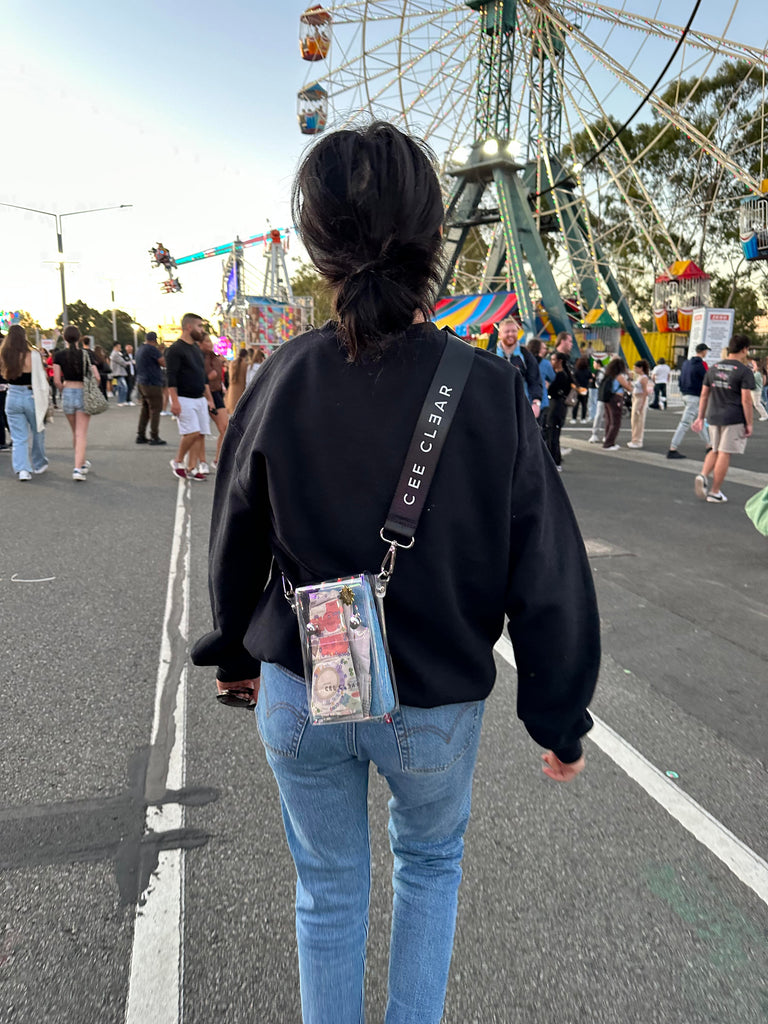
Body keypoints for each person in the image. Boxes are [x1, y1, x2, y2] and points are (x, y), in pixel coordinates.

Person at [191, 121, 599, 1024]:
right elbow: (547, 572)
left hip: (303, 687)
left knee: (327, 891)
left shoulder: (280, 377)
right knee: (429, 867)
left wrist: (232, 653)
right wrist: (558, 718)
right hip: (433, 700)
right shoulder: (490, 388)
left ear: (318, 243)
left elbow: (235, 532)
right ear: (430, 237)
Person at [692, 333, 755, 503]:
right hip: (733, 417)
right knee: (725, 453)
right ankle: (715, 491)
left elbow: (704, 395)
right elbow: (746, 400)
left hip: (713, 415)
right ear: (744, 349)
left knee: (715, 449)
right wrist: (749, 423)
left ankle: (703, 475)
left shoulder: (713, 368)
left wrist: (700, 417)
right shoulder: (744, 371)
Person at [165, 313, 215, 480]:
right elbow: (171, 377)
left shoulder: (195, 349)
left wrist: (209, 398)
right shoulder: (175, 350)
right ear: (189, 327)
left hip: (199, 397)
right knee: (192, 432)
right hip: (184, 397)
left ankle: (192, 468)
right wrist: (175, 401)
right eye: (199, 326)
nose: (202, 330)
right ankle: (178, 461)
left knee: (200, 434)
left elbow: (203, 376)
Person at [0, 324, 48, 480]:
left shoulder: (4, 354)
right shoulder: (33, 355)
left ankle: (23, 470)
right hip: (31, 395)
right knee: (38, 430)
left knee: (18, 437)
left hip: (12, 395)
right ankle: (39, 463)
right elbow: (41, 377)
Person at [53, 325, 101, 481]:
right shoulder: (87, 354)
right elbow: (97, 377)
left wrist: (62, 389)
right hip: (82, 393)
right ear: (79, 338)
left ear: (65, 338)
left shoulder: (59, 356)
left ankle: (81, 462)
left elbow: (56, 380)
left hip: (67, 392)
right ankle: (77, 468)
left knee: (75, 432)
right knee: (81, 434)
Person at [667, 342, 711, 458]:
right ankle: (673, 448)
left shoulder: (686, 363)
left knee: (698, 420)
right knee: (685, 423)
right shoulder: (701, 365)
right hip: (695, 396)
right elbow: (707, 380)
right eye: (706, 351)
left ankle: (709, 445)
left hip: (686, 394)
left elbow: (681, 379)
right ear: (703, 351)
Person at [494, 319, 543, 418]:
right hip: (496, 407)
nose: (510, 334)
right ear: (499, 334)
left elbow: (535, 380)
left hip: (521, 407)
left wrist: (536, 402)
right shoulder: (491, 354)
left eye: (514, 331)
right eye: (507, 331)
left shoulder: (525, 355)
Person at [200, 333, 229, 468]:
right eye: (206, 342)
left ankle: (218, 460)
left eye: (210, 341)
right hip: (204, 394)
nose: (210, 344)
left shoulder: (213, 356)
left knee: (225, 428)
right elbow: (204, 376)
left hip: (216, 393)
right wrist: (211, 375)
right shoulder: (199, 357)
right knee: (199, 432)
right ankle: (201, 462)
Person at [135, 331, 167, 445]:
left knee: (145, 410)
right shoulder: (152, 349)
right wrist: (161, 352)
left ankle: (141, 435)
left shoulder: (140, 349)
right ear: (155, 340)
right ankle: (154, 436)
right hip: (152, 383)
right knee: (155, 409)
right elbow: (163, 363)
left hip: (141, 382)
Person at [545, 349, 573, 471]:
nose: (551, 362)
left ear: (560, 361)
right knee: (552, 433)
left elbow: (551, 390)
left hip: (556, 405)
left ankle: (555, 461)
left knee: (553, 433)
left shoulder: (560, 375)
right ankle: (555, 459)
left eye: (553, 359)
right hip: (559, 405)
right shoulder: (565, 375)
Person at [599, 357, 631, 450]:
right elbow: (628, 387)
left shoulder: (609, 375)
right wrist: (629, 377)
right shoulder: (619, 376)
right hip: (616, 399)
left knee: (609, 421)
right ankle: (609, 443)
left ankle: (608, 440)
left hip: (608, 398)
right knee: (615, 422)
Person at [626, 359, 652, 448]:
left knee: (638, 420)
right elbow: (631, 387)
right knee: (634, 420)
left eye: (636, 368)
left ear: (641, 368)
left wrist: (642, 405)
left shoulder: (644, 378)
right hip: (636, 397)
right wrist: (630, 378)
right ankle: (634, 439)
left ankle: (638, 441)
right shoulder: (639, 377)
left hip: (640, 398)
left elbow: (645, 392)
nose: (634, 369)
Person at [225, 348, 250, 413]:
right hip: (241, 390)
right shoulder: (246, 365)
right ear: (246, 355)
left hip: (231, 392)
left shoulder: (232, 363)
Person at [571, 355, 592, 423]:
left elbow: (573, 379)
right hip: (585, 389)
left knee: (575, 405)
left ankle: (574, 418)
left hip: (577, 389)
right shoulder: (588, 371)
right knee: (584, 405)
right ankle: (583, 418)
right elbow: (590, 379)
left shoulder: (576, 370)